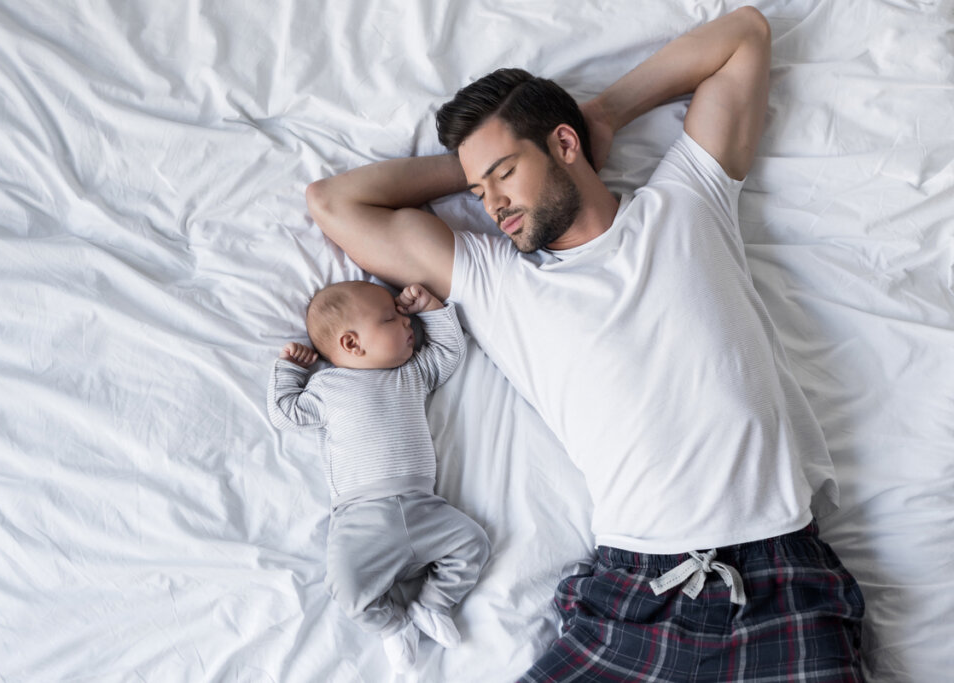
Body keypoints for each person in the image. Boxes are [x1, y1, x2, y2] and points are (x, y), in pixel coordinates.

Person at [303, 6, 865, 682]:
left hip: (780, 584)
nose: (492, 204)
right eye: (481, 191)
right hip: (635, 596)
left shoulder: (688, 201)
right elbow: (333, 202)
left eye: (505, 175)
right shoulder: (497, 280)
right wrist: (478, 166)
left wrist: (601, 114)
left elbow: (745, 35)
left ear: (564, 144)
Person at [267, 280, 490, 674]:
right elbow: (286, 412)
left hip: (425, 508)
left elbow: (449, 351)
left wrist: (430, 308)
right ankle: (392, 625)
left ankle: (433, 605)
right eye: (392, 317)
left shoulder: (411, 372)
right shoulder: (326, 387)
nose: (406, 323)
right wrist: (290, 368)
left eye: (403, 315)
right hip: (361, 517)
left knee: (473, 542)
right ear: (352, 344)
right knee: (346, 586)